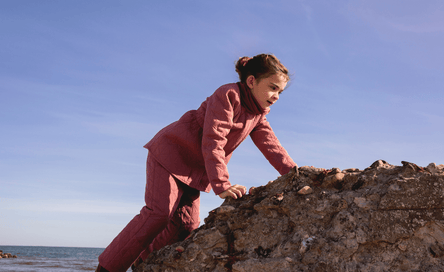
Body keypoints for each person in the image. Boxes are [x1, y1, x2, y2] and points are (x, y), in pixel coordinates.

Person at [96, 53, 297, 272]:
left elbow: (272, 147)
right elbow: (213, 140)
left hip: (193, 173)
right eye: (272, 87)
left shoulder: (258, 115)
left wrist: (298, 173)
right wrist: (222, 185)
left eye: (280, 91)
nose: (276, 95)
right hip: (171, 153)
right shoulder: (228, 95)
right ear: (251, 81)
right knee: (159, 213)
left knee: (186, 226)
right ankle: (107, 269)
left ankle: (142, 264)